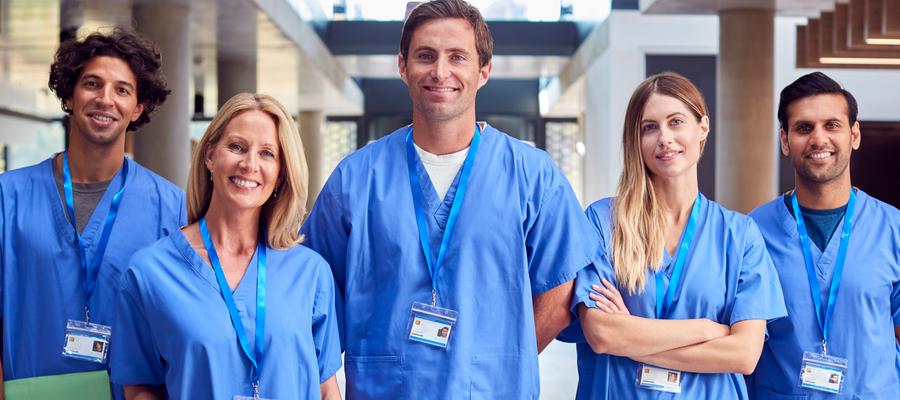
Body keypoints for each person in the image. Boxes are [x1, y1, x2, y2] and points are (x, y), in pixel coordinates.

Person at [300, 0, 599, 398]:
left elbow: (561, 292)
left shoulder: (532, 175)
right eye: (426, 56)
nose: (441, 72)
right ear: (402, 66)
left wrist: (502, 358)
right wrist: (326, 385)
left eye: (457, 57)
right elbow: (312, 291)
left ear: (483, 70)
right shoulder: (355, 179)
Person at [564, 72, 786, 399]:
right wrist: (705, 330)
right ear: (635, 141)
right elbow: (601, 333)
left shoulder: (739, 236)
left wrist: (632, 339)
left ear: (703, 128)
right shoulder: (604, 222)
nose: (664, 138)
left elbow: (743, 354)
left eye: (676, 122)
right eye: (649, 127)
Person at [109, 93, 342, 400]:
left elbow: (327, 390)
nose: (249, 164)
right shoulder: (150, 272)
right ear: (210, 155)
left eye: (267, 154)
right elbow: (139, 387)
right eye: (236, 147)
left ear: (281, 173)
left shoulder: (310, 273)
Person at [0, 29, 184, 398]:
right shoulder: (8, 196)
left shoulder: (171, 206)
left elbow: (177, 326)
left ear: (139, 107)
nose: (105, 99)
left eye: (122, 90)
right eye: (92, 84)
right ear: (69, 94)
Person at [748, 72, 900, 399]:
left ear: (854, 135)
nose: (819, 139)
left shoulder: (893, 229)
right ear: (785, 141)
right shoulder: (752, 232)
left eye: (832, 125)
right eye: (804, 128)